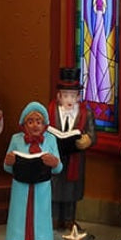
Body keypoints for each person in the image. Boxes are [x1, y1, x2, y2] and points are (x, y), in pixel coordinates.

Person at [3, 102, 62, 240]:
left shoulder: (51, 140)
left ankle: (43, 239)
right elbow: (6, 167)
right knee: (19, 212)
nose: (35, 125)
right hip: (20, 183)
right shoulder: (16, 139)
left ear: (45, 124)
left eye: (38, 122)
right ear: (24, 125)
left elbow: (59, 168)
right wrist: (9, 161)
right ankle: (16, 239)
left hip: (42, 184)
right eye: (30, 122)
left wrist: (54, 162)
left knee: (42, 212)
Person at [47, 67, 96, 230]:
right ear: (59, 96)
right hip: (55, 156)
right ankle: (54, 218)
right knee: (54, 187)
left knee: (71, 189)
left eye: (73, 96)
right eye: (66, 95)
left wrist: (87, 139)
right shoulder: (50, 111)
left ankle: (69, 219)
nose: (69, 99)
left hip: (75, 157)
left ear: (78, 97)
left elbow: (92, 133)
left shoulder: (85, 113)